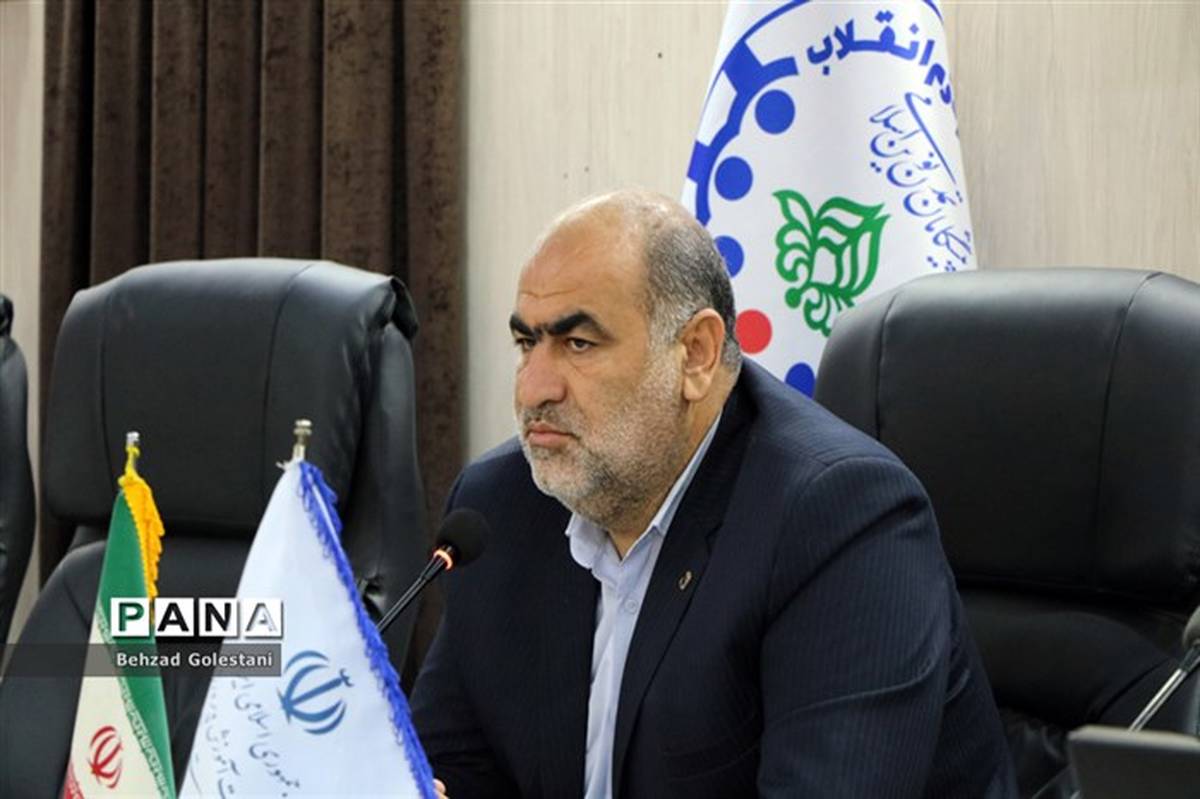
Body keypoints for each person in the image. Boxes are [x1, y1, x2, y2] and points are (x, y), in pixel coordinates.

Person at [410, 189, 1017, 798]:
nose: (534, 388)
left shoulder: (841, 520)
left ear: (696, 354)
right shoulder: (500, 507)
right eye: (526, 344)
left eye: (578, 344)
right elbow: (446, 765)